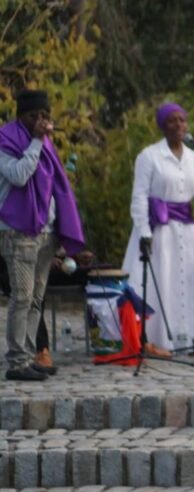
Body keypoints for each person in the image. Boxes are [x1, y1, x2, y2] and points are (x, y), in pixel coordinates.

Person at [122, 103, 194, 354]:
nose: (179, 125)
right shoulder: (149, 156)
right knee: (164, 281)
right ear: (163, 125)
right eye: (172, 120)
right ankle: (160, 340)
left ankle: (192, 337)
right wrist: (144, 231)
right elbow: (139, 197)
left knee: (188, 283)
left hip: (187, 231)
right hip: (159, 230)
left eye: (182, 120)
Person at [0, 90, 86, 380]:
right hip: (17, 230)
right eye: (33, 116)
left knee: (36, 298)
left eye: (44, 116)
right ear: (19, 116)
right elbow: (20, 175)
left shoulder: (46, 144)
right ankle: (15, 362)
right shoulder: (6, 140)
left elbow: (56, 187)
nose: (40, 121)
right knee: (21, 296)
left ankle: (29, 355)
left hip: (44, 232)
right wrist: (37, 140)